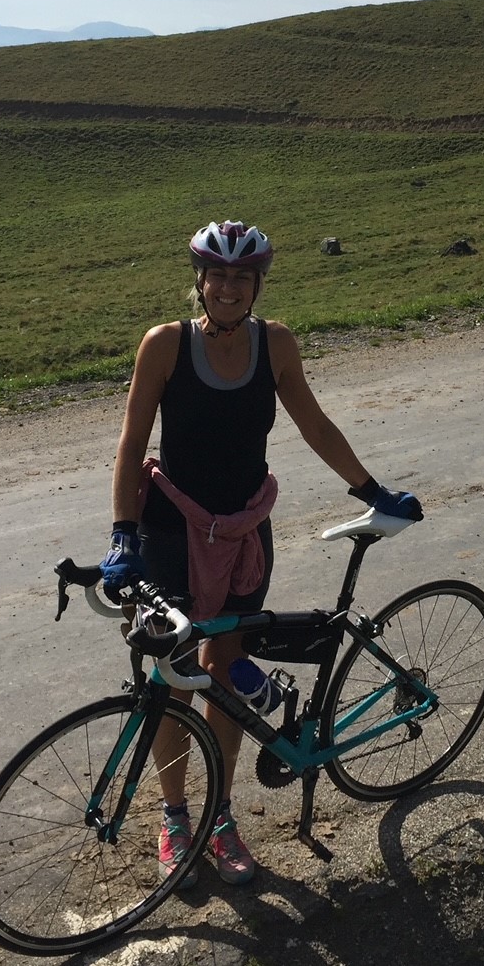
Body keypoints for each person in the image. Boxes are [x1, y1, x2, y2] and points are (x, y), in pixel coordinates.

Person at [100, 219, 421, 887]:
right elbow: (132, 444)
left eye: (241, 277)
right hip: (170, 532)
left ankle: (220, 818)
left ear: (256, 284)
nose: (227, 286)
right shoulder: (164, 346)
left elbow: (313, 422)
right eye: (217, 275)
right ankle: (175, 818)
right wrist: (123, 536)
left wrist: (371, 489)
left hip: (246, 531)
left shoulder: (274, 344)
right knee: (171, 677)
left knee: (224, 669)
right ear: (200, 280)